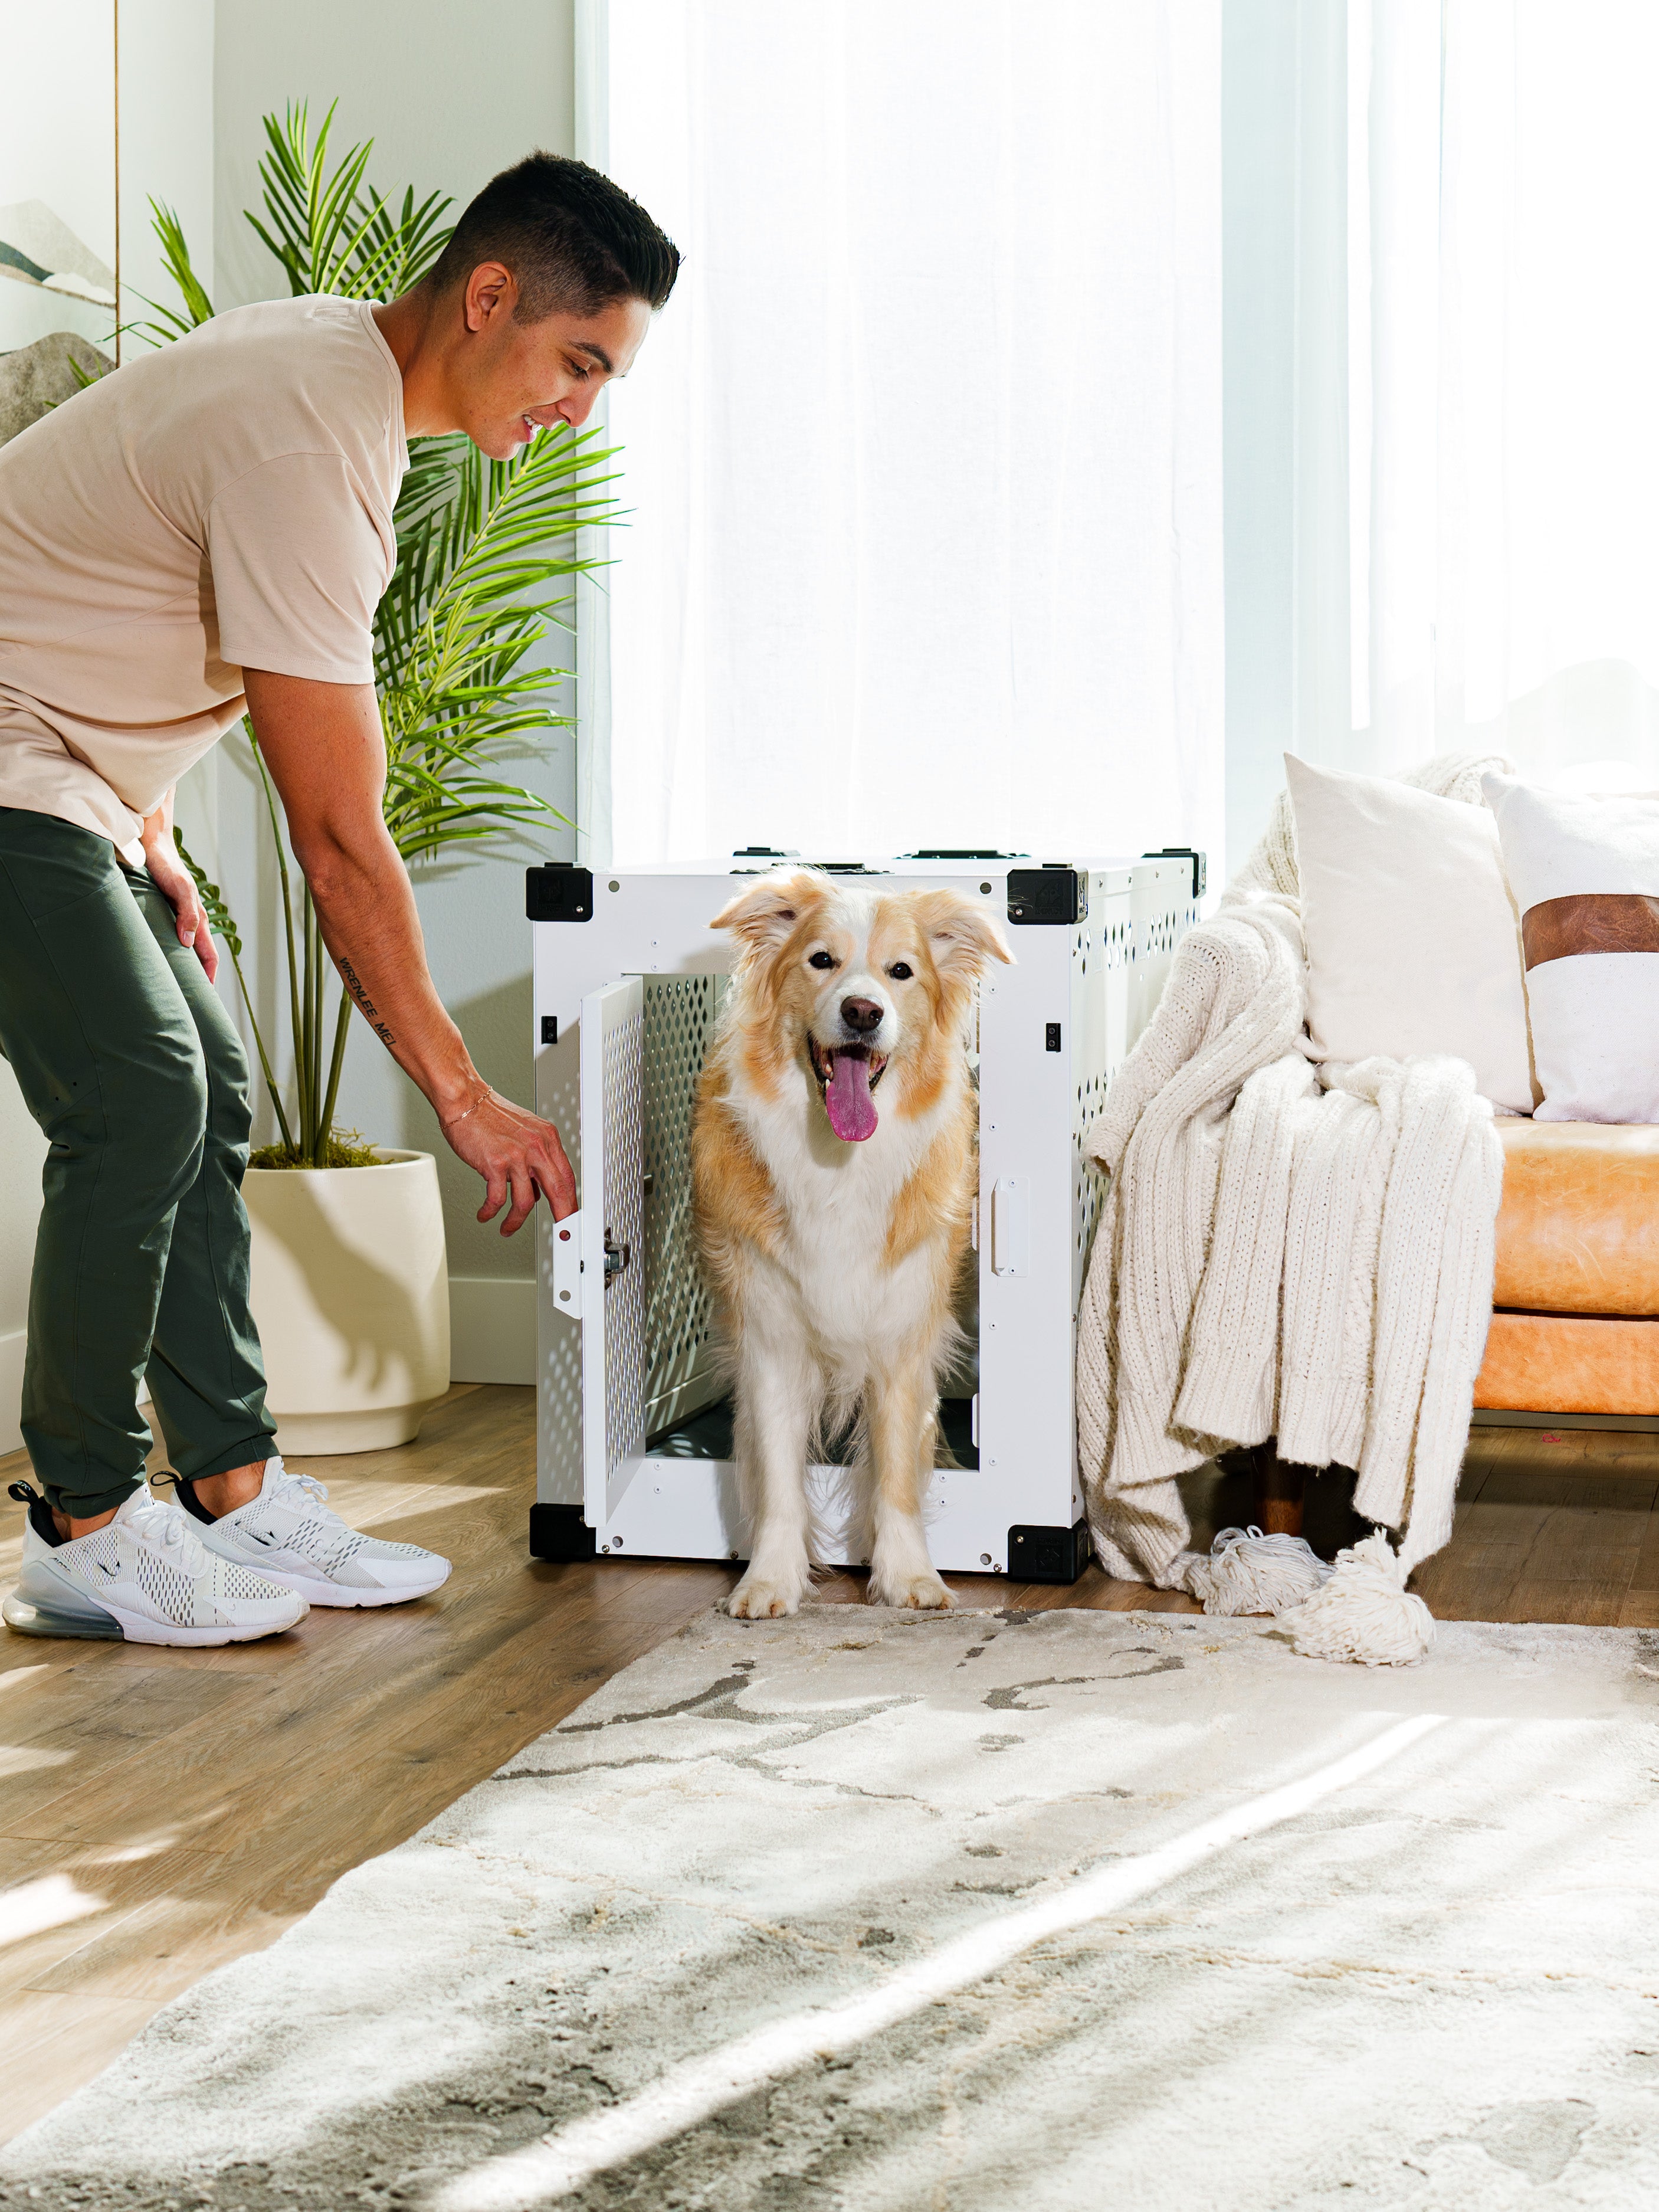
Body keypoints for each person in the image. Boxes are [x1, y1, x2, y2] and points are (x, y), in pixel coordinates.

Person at [0, 153, 679, 1646]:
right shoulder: (311, 436)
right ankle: (85, 1522)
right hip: (6, 752)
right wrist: (462, 1092)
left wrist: (144, 813)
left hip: (65, 769)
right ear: (486, 296)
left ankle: (232, 1490)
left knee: (206, 1086)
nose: (578, 408)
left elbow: (111, 567)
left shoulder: (335, 377)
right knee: (138, 1090)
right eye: (578, 361)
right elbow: (337, 836)